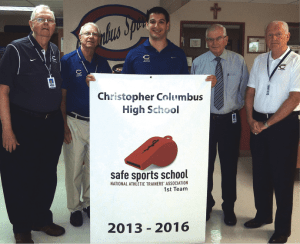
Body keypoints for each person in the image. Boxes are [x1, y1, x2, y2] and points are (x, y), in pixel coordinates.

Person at [0, 5, 65, 244]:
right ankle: (22, 227)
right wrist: (7, 129)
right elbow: (2, 91)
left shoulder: (56, 50)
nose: (46, 23)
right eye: (41, 19)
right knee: (19, 177)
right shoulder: (15, 49)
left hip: (50, 124)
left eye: (50, 20)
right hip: (22, 123)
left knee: (47, 175)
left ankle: (41, 218)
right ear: (31, 24)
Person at [244, 21, 300, 244]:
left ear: (287, 37)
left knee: (282, 177)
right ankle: (262, 214)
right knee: (260, 172)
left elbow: (295, 98)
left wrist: (269, 124)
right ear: (265, 38)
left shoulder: (296, 61)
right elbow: (250, 92)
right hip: (258, 121)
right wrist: (250, 119)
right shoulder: (259, 60)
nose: (273, 38)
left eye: (278, 34)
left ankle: (282, 230)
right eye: (269, 34)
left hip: (284, 125)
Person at [191, 24, 249, 225]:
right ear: (206, 41)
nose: (214, 43)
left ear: (226, 39)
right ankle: (206, 204)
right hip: (206, 121)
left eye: (218, 38)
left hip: (230, 121)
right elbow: (191, 94)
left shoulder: (238, 61)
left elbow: (244, 91)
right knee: (204, 166)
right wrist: (204, 88)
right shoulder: (198, 63)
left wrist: (233, 108)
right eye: (210, 39)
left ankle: (229, 207)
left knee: (229, 166)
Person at [60, 22, 112, 227]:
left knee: (92, 167)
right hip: (74, 121)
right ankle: (74, 207)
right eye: (87, 33)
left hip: (97, 123)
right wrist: (63, 125)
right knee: (74, 168)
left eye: (95, 34)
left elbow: (110, 92)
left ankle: (89, 202)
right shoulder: (68, 61)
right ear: (80, 37)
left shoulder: (102, 62)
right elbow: (61, 96)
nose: (91, 36)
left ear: (99, 39)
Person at [121, 6, 189, 75]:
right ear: (147, 25)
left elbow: (186, 84)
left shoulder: (179, 54)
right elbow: (124, 84)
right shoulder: (133, 54)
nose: (156, 26)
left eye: (161, 22)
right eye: (153, 22)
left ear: (167, 25)